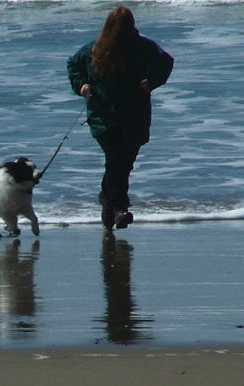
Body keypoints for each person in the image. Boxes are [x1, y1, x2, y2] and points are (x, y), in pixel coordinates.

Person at [67, 6, 173, 230]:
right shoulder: (94, 49)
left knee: (124, 163)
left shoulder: (143, 47)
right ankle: (119, 208)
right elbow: (73, 65)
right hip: (103, 116)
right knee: (117, 160)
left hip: (134, 115)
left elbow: (165, 61)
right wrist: (82, 85)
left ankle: (107, 200)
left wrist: (152, 80)